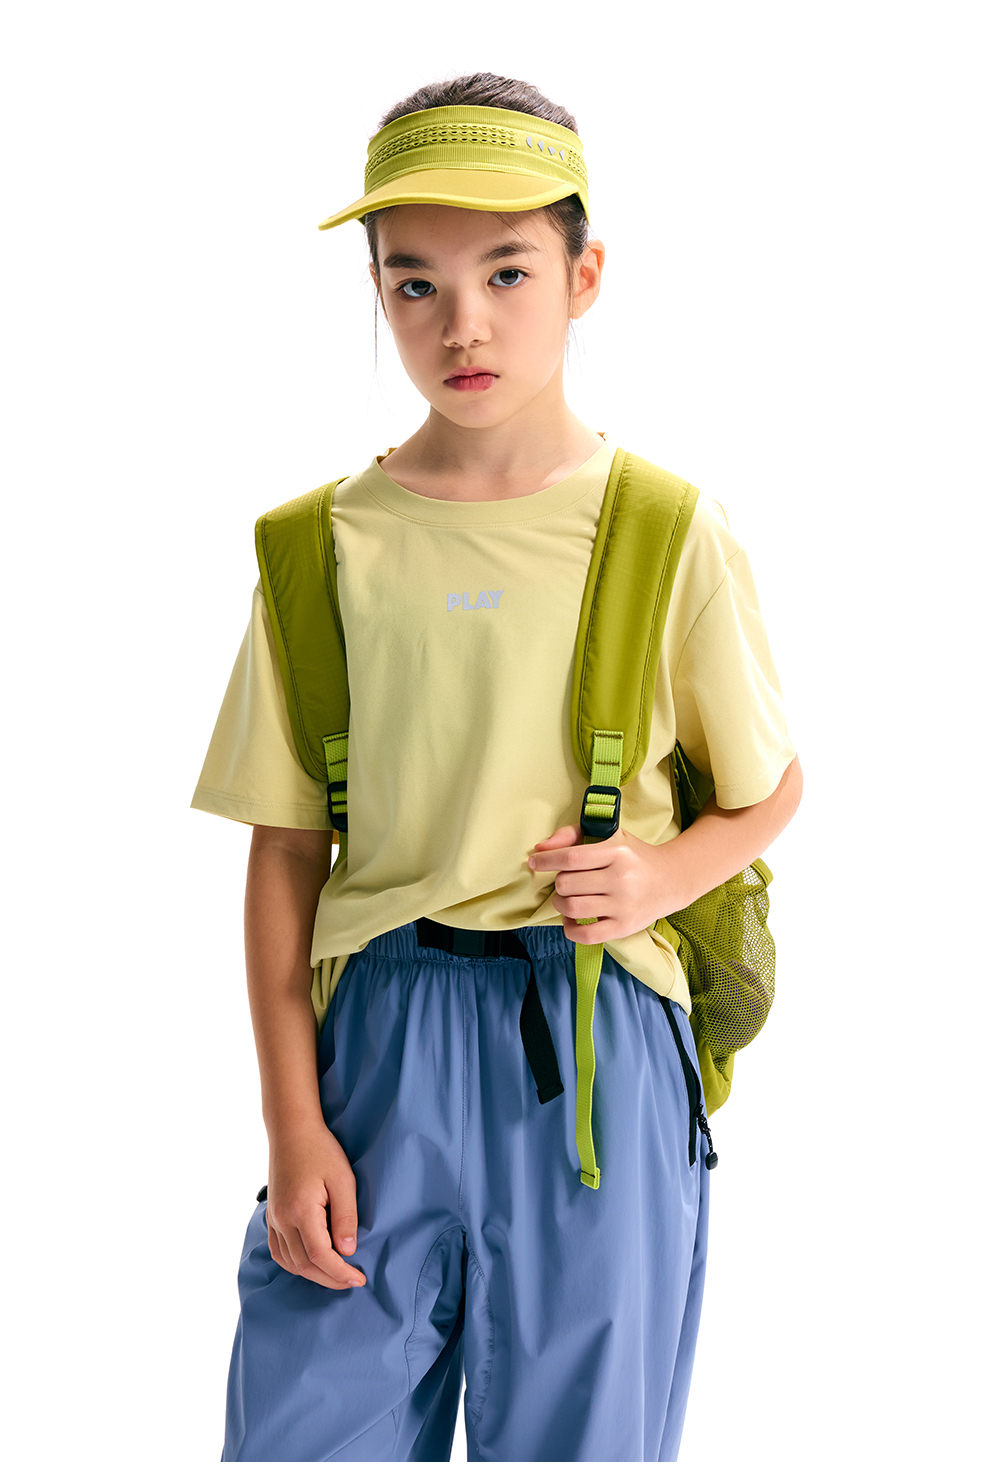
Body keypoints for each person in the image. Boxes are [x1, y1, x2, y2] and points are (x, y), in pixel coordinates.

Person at [192, 71, 802, 1463]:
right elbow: (285, 849)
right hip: (374, 1049)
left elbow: (771, 785)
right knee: (303, 1436)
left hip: (596, 1048)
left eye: (507, 272)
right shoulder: (317, 547)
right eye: (415, 283)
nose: (461, 322)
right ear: (377, 293)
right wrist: (293, 1126)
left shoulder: (666, 531)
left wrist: (661, 875)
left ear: (585, 276)